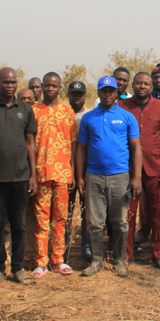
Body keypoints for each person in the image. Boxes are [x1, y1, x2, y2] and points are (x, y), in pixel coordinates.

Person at [0, 67, 38, 286]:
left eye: (13, 82)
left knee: (19, 224)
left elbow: (30, 143)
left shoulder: (25, 109)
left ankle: (18, 268)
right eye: (5, 82)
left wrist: (32, 175)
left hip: (21, 177)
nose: (9, 85)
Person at [76, 76, 143, 277]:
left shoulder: (127, 116)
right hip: (94, 176)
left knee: (120, 222)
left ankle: (120, 261)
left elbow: (136, 147)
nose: (107, 94)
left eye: (111, 91)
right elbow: (81, 149)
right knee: (94, 222)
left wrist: (137, 176)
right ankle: (96, 260)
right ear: (98, 93)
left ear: (117, 94)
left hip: (120, 177)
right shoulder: (89, 118)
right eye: (104, 91)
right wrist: (80, 178)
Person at [119, 73, 160, 269]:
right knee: (128, 214)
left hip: (155, 167)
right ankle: (126, 255)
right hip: (128, 168)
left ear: (152, 86)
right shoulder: (122, 106)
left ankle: (158, 255)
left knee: (157, 213)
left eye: (146, 83)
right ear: (132, 85)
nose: (142, 86)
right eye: (139, 83)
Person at [28, 72, 78, 278]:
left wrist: (73, 171)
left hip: (63, 173)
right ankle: (41, 262)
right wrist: (32, 173)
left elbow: (73, 143)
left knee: (61, 219)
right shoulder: (32, 111)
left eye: (53, 86)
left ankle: (59, 260)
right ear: (41, 87)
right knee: (41, 220)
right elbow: (29, 144)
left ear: (60, 88)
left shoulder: (68, 111)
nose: (49, 89)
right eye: (46, 85)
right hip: (41, 173)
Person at [64, 80, 91, 264]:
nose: (77, 97)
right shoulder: (62, 115)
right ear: (68, 96)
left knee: (87, 212)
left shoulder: (90, 117)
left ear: (84, 96)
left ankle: (86, 247)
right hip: (64, 172)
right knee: (65, 213)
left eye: (80, 94)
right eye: (73, 94)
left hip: (87, 172)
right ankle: (63, 249)